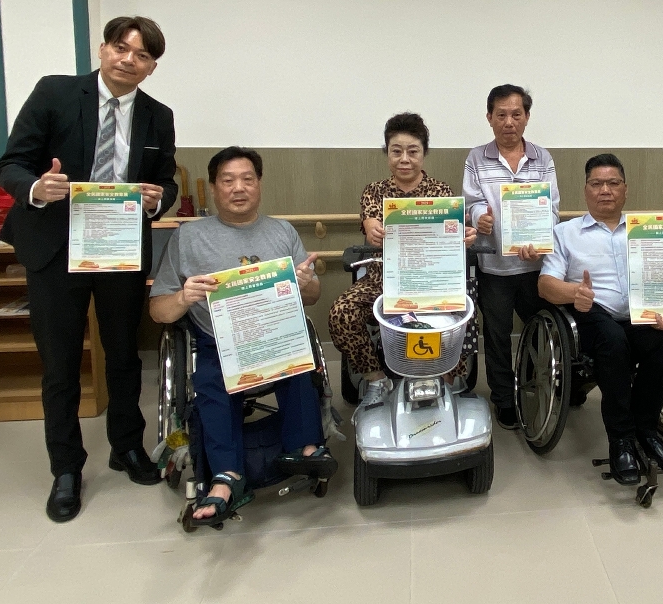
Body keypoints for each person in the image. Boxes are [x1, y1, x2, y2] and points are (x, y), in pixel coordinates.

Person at [0, 16, 178, 523]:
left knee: (123, 355)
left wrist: (157, 200)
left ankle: (127, 446)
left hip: (118, 248)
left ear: (151, 67)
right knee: (60, 365)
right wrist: (36, 188)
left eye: (142, 55)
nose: (128, 60)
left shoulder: (158, 115)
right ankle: (66, 469)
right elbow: (11, 164)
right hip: (55, 248)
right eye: (121, 48)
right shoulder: (54, 92)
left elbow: (165, 181)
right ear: (102, 49)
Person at [149, 147, 335, 525]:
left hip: (274, 332)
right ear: (214, 187)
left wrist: (306, 283)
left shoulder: (282, 232)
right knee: (212, 380)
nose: (239, 188)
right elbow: (158, 311)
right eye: (228, 180)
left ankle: (305, 448)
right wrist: (184, 296)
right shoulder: (189, 237)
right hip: (219, 340)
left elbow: (312, 297)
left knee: (298, 356)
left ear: (259, 184)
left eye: (247, 179)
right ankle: (225, 478)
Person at [539, 154, 663, 484]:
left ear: (625, 189)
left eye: (613, 183)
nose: (605, 190)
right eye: (597, 183)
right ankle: (621, 439)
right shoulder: (565, 233)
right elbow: (545, 284)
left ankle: (647, 432)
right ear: (586, 190)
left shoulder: (646, 231)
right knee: (613, 340)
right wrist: (574, 292)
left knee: (660, 342)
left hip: (638, 314)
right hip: (591, 314)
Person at [327, 113, 477, 408]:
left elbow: (453, 234)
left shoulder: (441, 192)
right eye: (396, 151)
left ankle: (445, 378)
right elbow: (371, 221)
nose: (404, 159)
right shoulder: (374, 191)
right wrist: (373, 229)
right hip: (383, 282)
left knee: (466, 308)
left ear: (424, 153)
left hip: (431, 282)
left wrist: (465, 236)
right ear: (387, 153)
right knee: (341, 313)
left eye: (413, 151)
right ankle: (376, 379)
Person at [463, 85, 559, 429]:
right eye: (501, 114)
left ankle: (532, 385)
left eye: (516, 114)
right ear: (489, 118)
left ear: (527, 117)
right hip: (494, 266)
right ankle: (503, 398)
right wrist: (479, 218)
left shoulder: (542, 158)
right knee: (498, 336)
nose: (509, 122)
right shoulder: (477, 158)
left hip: (535, 266)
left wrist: (539, 238)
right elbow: (471, 203)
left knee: (539, 329)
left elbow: (552, 208)